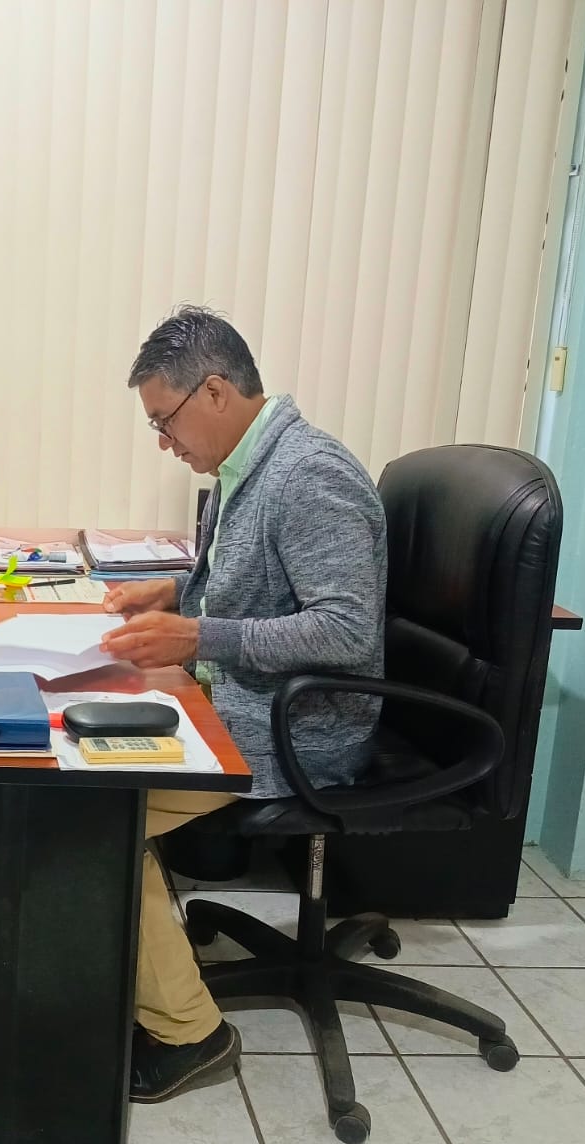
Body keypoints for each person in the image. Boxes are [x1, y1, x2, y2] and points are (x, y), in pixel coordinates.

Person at [99, 306, 388, 1101]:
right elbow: (254, 586)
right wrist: (175, 592)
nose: (164, 441)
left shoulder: (309, 475)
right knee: (83, 760)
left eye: (164, 420)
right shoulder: (247, 468)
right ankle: (134, 973)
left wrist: (198, 634)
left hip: (299, 730)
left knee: (94, 813)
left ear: (215, 392)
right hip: (240, 704)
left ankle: (191, 1035)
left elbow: (345, 630)